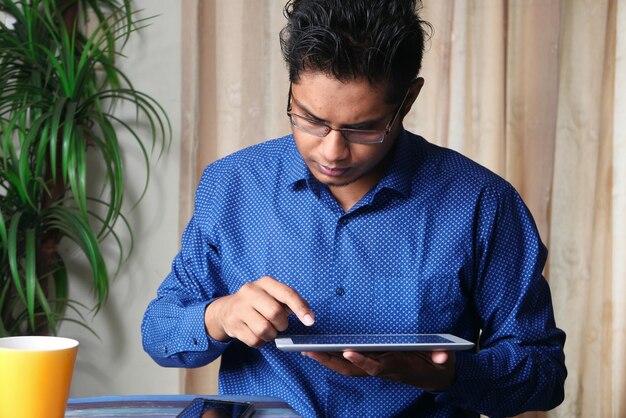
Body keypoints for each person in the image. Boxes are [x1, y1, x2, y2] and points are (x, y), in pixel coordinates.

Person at [142, 0, 567, 416]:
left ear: (409, 99)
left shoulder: (482, 202)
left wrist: (450, 375)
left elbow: (544, 374)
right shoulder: (232, 184)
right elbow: (159, 330)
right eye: (309, 119)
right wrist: (219, 315)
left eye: (362, 129)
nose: (332, 151)